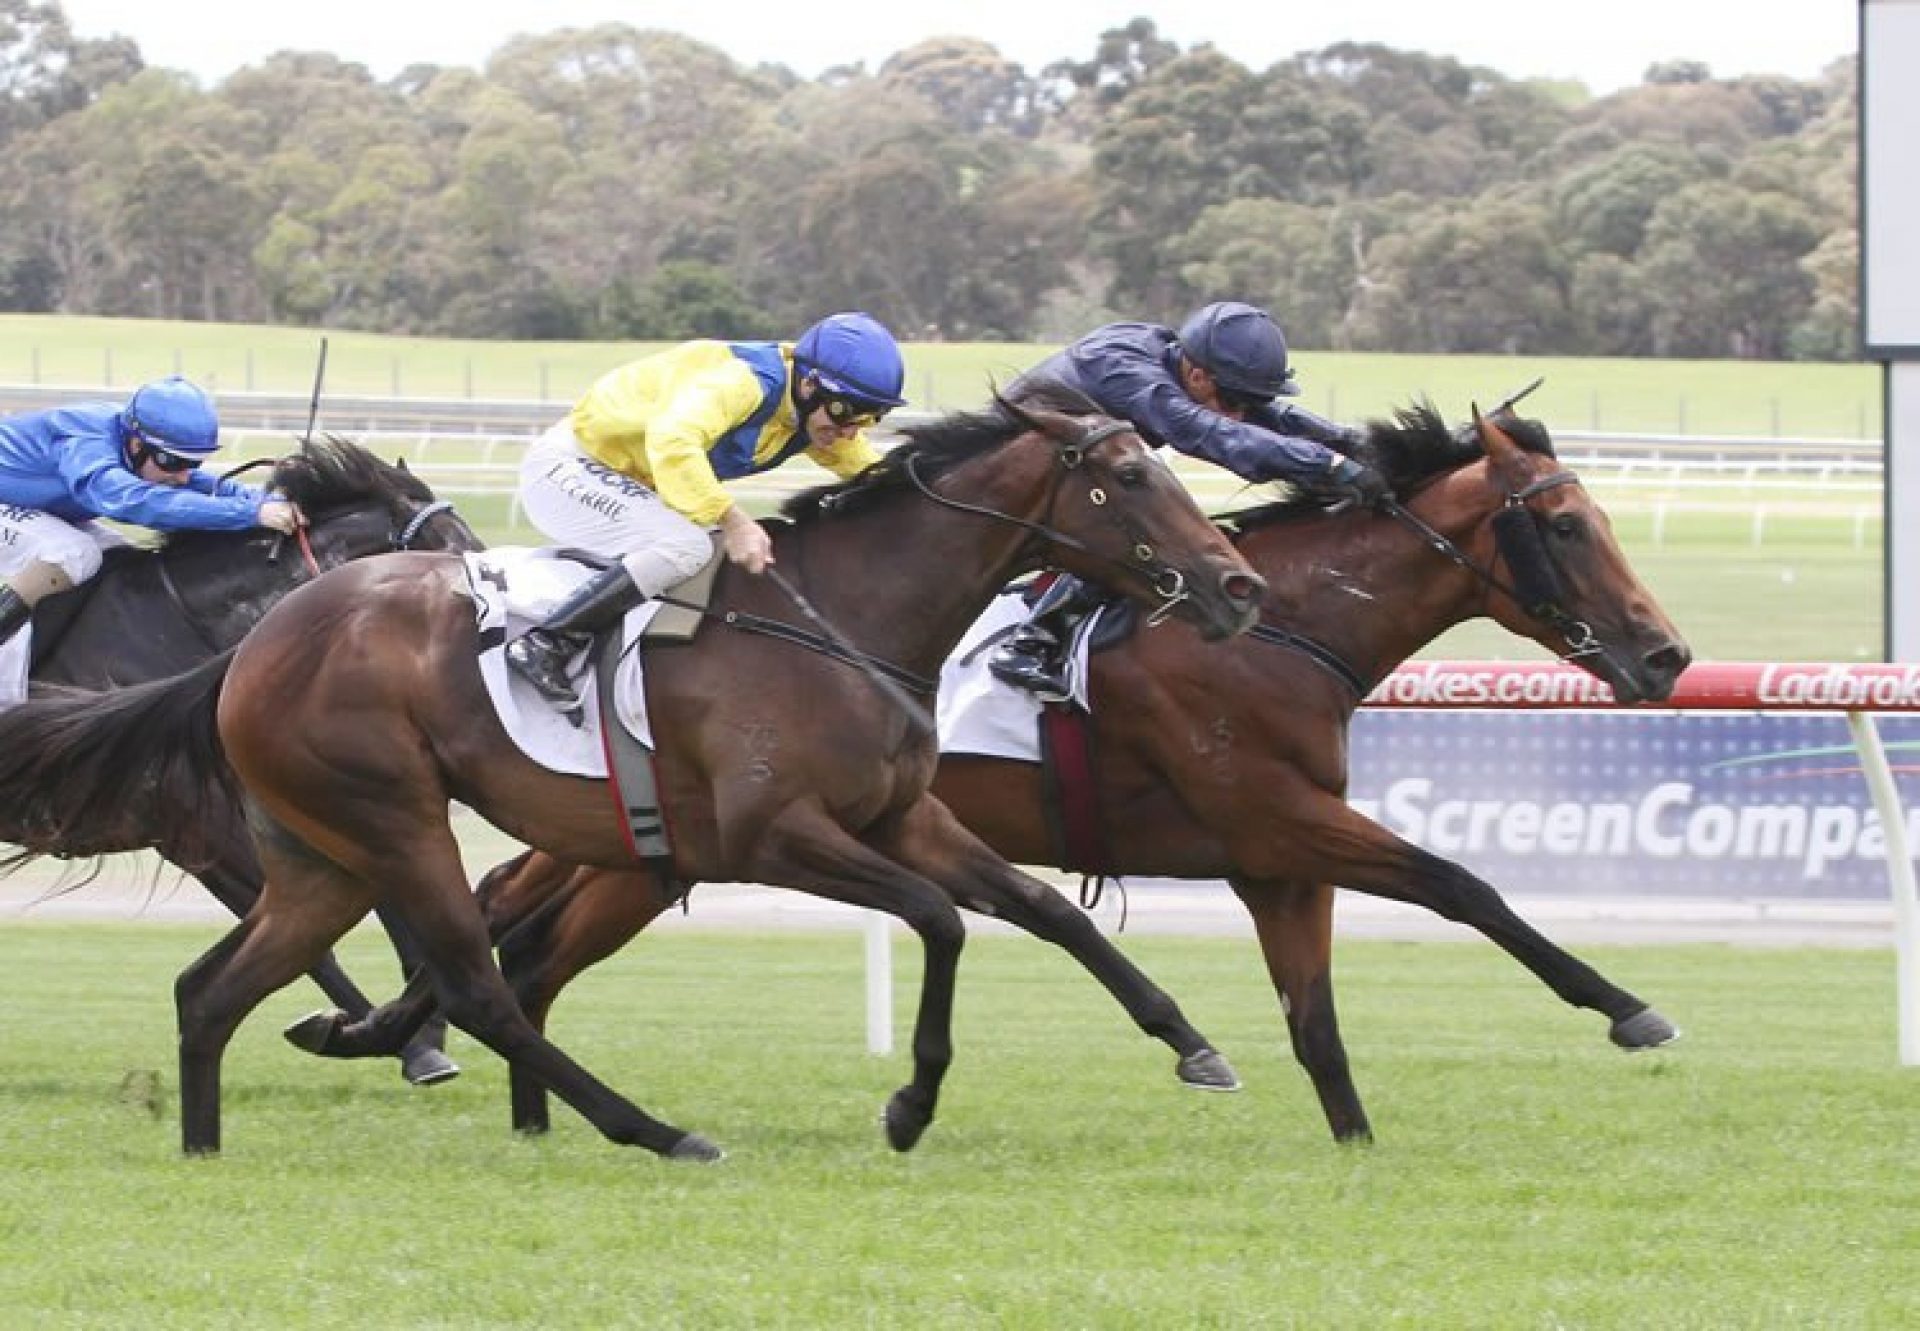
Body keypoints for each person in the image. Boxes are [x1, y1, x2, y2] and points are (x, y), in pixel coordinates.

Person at [989, 300, 1390, 697]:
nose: (1238, 414)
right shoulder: (1125, 370)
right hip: (1009, 484)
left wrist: (1356, 445)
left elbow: (1276, 418)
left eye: (1246, 403)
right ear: (1197, 375)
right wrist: (1328, 466)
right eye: (1232, 402)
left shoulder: (1184, 365)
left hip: (1080, 474)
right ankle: (1033, 641)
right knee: (1152, 533)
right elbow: (1208, 432)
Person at [504, 311, 908, 705]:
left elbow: (869, 471)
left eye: (870, 417)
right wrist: (734, 520)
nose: (851, 430)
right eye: (845, 411)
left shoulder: (812, 415)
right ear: (808, 385)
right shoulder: (746, 385)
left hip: (630, 479)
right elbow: (673, 440)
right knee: (687, 547)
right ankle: (547, 642)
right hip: (570, 468)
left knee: (702, 551)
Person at [0, 376, 303, 649]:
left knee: (120, 557)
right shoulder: (87, 443)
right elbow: (133, 501)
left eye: (192, 463)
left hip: (28, 506)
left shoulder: (140, 446)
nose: (183, 476)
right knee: (72, 552)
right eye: (173, 462)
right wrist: (251, 513)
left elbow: (201, 484)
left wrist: (268, 500)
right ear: (136, 444)